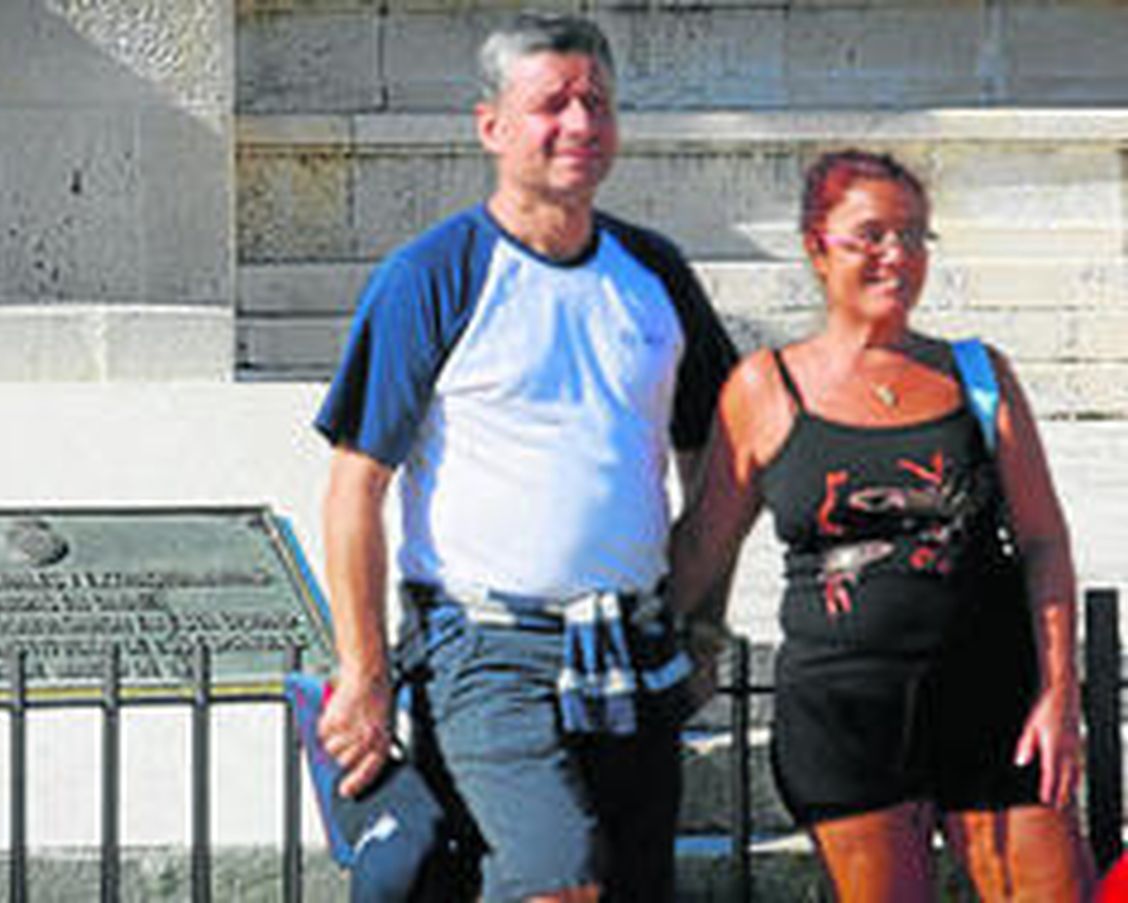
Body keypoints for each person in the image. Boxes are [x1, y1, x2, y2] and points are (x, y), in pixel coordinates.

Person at [311, 13, 738, 901]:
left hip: (631, 642)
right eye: (552, 104)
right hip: (485, 649)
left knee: (622, 883)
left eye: (598, 103)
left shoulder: (654, 273)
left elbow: (720, 460)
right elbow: (356, 488)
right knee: (558, 876)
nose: (580, 124)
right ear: (491, 126)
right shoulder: (433, 274)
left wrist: (702, 619)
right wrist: (364, 672)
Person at [667, 148, 1095, 900]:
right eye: (870, 235)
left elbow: (1044, 541)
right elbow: (703, 544)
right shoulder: (766, 387)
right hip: (844, 716)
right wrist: (649, 645)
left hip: (992, 699)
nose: (895, 255)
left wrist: (1059, 695)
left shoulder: (978, 374)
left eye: (913, 234)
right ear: (816, 246)